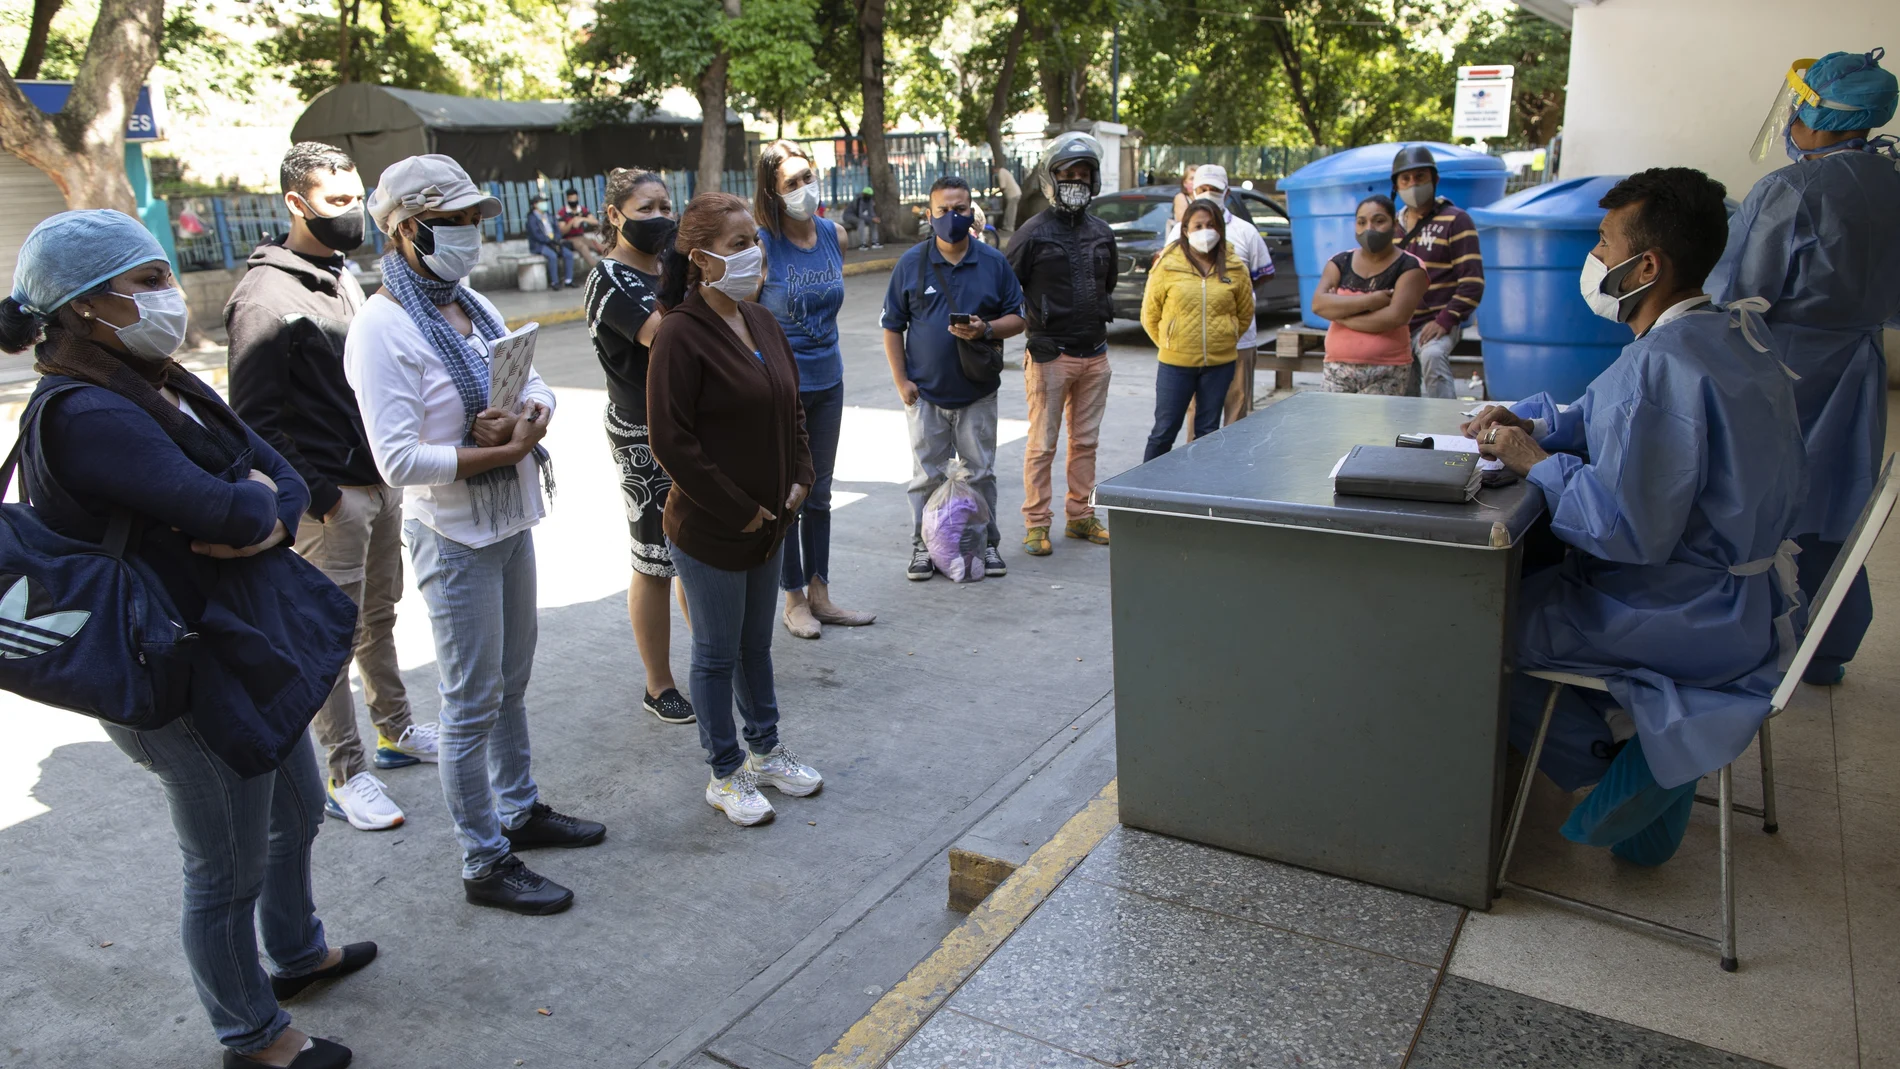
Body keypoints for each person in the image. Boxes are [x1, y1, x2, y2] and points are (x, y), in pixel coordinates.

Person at [3, 210, 369, 1068]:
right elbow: (229, 503)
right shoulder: (85, 411)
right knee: (224, 865)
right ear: (88, 306)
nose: (170, 293)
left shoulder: (160, 378)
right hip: (173, 671)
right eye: (150, 281)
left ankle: (298, 950)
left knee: (298, 811)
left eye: (166, 273)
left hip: (237, 644)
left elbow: (270, 479)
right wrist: (250, 508)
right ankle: (252, 1029)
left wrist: (260, 518)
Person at [1464, 168, 1806, 867]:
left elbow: (1623, 529)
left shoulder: (1660, 365)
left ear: (1645, 264)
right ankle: (1635, 735)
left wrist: (1535, 462)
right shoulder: (1732, 336)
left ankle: (1613, 764)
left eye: (1602, 242)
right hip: (1745, 601)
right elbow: (1598, 417)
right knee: (1534, 588)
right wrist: (1537, 423)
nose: (1594, 259)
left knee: (1481, 627)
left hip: (1684, 612)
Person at [348, 155, 606, 915]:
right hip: (454, 533)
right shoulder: (383, 327)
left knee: (512, 681)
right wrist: (491, 450)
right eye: (451, 222)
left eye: (473, 221)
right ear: (403, 231)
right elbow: (397, 460)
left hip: (508, 517)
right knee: (469, 701)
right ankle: (483, 856)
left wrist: (529, 418)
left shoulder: (472, 305)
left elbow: (530, 377)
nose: (468, 234)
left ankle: (519, 808)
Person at [225, 142, 434, 835]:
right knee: (328, 637)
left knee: (381, 615)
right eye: (337, 201)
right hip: (332, 501)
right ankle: (346, 773)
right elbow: (253, 423)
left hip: (379, 484)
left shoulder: (342, 274)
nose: (352, 212)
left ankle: (395, 729)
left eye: (356, 197)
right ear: (296, 203)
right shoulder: (263, 298)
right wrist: (321, 496)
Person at [1713, 48, 1900, 686]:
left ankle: (1754, 635)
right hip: (1859, 367)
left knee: (1766, 496)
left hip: (1782, 364)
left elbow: (1738, 291)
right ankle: (1827, 642)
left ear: (1816, 112)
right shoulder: (1893, 182)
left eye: (1798, 106)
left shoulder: (1791, 189)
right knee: (1836, 498)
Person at [647, 191, 825, 827]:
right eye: (737, 243)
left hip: (770, 523)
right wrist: (739, 509)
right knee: (717, 652)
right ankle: (725, 772)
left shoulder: (763, 322)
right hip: (713, 528)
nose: (754, 251)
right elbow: (672, 441)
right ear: (701, 259)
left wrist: (800, 478)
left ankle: (767, 749)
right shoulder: (680, 333)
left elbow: (792, 409)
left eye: (755, 239)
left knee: (756, 645)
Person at [582, 167, 695, 725]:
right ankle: (659, 684)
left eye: (664, 207)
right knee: (654, 560)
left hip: (691, 427)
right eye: (645, 209)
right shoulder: (611, 280)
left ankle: (712, 658)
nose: (659, 219)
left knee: (696, 549)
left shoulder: (671, 268)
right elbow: (670, 338)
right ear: (615, 215)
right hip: (642, 436)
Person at [754, 139, 875, 637]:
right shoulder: (762, 245)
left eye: (808, 178)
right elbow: (748, 319)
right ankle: (793, 599)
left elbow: (827, 302)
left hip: (831, 381)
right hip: (784, 391)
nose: (804, 189)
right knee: (789, 494)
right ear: (773, 192)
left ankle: (821, 594)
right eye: (792, 183)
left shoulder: (835, 235)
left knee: (820, 492)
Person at [883, 175, 1027, 580]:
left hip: (978, 394)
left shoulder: (993, 262)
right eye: (943, 210)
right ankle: (923, 547)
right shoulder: (912, 263)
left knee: (981, 474)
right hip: (925, 394)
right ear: (930, 215)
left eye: (960, 209)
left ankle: (986, 546)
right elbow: (892, 326)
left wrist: (985, 329)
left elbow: (1019, 318)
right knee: (926, 477)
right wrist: (902, 383)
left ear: (972, 211)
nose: (951, 217)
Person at [1007, 131, 1118, 556]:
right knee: (1042, 445)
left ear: (1094, 181)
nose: (1076, 180)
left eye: (1083, 174)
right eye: (1067, 173)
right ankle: (1036, 523)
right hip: (1050, 356)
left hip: (1096, 355)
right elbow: (1006, 288)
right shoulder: (1031, 233)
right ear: (1050, 179)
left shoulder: (1102, 233)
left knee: (1086, 443)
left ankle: (1081, 516)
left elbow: (1107, 284)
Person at [1140, 198, 1251, 460]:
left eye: (1210, 225)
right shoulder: (1167, 264)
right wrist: (1171, 343)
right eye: (1198, 225)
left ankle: (1198, 493)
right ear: (1185, 230)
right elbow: (1150, 314)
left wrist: (1227, 336)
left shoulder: (1234, 267)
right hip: (1175, 365)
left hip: (1220, 365)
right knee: (1164, 431)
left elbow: (1244, 313)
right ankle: (1144, 492)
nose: (1205, 231)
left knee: (1208, 431)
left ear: (1220, 229)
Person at [1174, 165, 1273, 429]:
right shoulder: (1179, 233)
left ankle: (1232, 467)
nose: (1207, 194)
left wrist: (1236, 297)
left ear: (1226, 193)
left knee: (1237, 406)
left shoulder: (1245, 232)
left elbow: (1263, 274)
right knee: (1196, 411)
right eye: (1202, 189)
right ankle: (1196, 465)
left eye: (1214, 189)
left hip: (1238, 340)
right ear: (1192, 192)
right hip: (1194, 341)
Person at [1392, 145, 1485, 399]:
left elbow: (1472, 282)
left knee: (1432, 356)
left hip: (1437, 322)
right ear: (1396, 185)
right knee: (1401, 384)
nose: (1412, 184)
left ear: (1434, 179)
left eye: (1420, 177)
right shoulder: (1390, 227)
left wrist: (1445, 320)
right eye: (1405, 178)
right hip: (1397, 323)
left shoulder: (1456, 220)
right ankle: (1403, 432)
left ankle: (1446, 430)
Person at [1311, 195, 1427, 396]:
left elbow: (1395, 317)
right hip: (1336, 369)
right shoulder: (1339, 262)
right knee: (1333, 427)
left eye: (1379, 220)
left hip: (1387, 371)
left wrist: (1338, 313)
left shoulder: (1410, 267)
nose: (1369, 228)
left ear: (1395, 223)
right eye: (1361, 222)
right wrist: (1372, 301)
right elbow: (1318, 304)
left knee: (1375, 428)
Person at [526, 194, 574, 290]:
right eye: (541, 202)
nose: (544, 204)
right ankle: (554, 282)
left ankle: (568, 280)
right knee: (552, 256)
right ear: (535, 204)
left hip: (554, 243)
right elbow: (536, 234)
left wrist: (556, 239)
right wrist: (548, 241)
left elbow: (557, 229)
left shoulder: (549, 215)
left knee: (568, 254)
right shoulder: (532, 218)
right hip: (539, 245)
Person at [557, 187, 605, 272]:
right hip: (570, 239)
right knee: (583, 247)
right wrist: (572, 222)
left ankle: (612, 265)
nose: (574, 201)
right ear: (567, 199)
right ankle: (598, 270)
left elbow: (595, 222)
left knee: (599, 245)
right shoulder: (562, 212)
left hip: (582, 236)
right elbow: (562, 231)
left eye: (575, 198)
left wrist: (582, 219)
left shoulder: (582, 210)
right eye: (571, 199)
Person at [841, 185, 882, 250]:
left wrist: (874, 218)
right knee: (861, 222)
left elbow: (871, 212)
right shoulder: (859, 200)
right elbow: (860, 215)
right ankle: (863, 244)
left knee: (873, 222)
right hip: (849, 216)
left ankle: (874, 242)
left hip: (858, 217)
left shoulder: (869, 201)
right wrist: (871, 218)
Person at [994, 163, 1022, 237]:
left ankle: (1009, 228)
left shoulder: (1001, 173)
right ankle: (1007, 227)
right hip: (1015, 193)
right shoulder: (1004, 171)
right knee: (1009, 211)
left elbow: (1003, 187)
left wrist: (994, 193)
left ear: (995, 169)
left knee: (1010, 212)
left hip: (1013, 194)